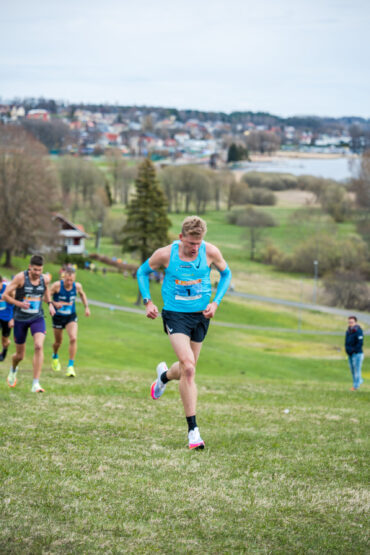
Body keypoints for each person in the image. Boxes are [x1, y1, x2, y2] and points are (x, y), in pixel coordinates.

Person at [136, 216, 231, 450]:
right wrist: (148, 302)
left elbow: (226, 274)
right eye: (190, 243)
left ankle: (164, 377)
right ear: (181, 238)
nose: (194, 248)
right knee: (188, 367)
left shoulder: (210, 252)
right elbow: (141, 272)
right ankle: (193, 431)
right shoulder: (166, 254)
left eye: (198, 244)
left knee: (188, 367)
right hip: (175, 316)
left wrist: (216, 303)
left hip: (201, 316)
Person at [3, 254, 55, 393]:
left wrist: (50, 303)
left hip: (37, 317)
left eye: (40, 270)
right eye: (35, 270)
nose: (37, 273)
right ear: (29, 268)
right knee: (19, 356)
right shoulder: (20, 278)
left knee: (39, 346)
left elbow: (46, 291)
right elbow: (5, 295)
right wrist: (19, 303)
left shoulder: (44, 279)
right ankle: (13, 369)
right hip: (20, 319)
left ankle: (35, 384)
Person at [50, 267, 90, 377]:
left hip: (70, 317)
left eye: (71, 280)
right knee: (58, 342)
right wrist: (53, 303)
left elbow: (82, 294)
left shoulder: (77, 286)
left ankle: (70, 366)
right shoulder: (57, 285)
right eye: (67, 280)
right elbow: (46, 296)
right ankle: (55, 355)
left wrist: (86, 307)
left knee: (73, 338)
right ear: (64, 277)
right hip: (58, 317)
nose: (69, 282)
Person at [345, 316, 365, 391]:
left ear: (355, 322)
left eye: (352, 322)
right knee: (352, 370)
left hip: (357, 354)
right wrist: (347, 350)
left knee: (357, 370)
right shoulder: (348, 331)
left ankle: (355, 386)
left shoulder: (358, 331)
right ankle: (358, 381)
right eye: (349, 322)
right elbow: (346, 342)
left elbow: (360, 343)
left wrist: (353, 350)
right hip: (350, 354)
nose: (350, 323)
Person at [0, 275, 14, 361]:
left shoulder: (8, 290)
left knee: (5, 340)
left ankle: (4, 350)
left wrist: (12, 318)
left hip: (7, 318)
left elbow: (15, 303)